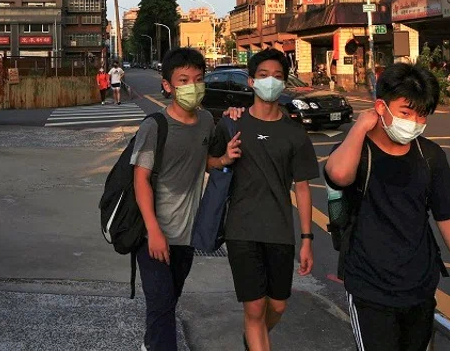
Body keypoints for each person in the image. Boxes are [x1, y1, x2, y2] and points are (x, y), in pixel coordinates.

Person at [324, 63, 450, 351]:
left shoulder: (430, 156)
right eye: (406, 112)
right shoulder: (357, 150)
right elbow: (338, 175)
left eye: (422, 115)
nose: (414, 122)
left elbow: (448, 218)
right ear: (381, 108)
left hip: (419, 286)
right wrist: (360, 126)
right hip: (369, 287)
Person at [131, 48, 242, 351]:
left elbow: (202, 161)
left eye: (197, 79)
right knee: (161, 304)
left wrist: (223, 158)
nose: (192, 86)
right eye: (183, 80)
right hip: (152, 234)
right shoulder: (155, 126)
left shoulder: (206, 120)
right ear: (167, 85)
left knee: (169, 299)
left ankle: (150, 343)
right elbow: (140, 178)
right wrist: (152, 230)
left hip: (186, 235)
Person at [213, 49, 318, 351]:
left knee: (278, 306)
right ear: (250, 82)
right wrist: (223, 158)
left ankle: (253, 338)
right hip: (242, 229)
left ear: (284, 83)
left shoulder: (295, 134)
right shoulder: (232, 124)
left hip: (279, 230)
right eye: (263, 76)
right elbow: (208, 162)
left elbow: (303, 187)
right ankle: (256, 334)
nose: (270, 81)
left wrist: (308, 238)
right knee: (255, 308)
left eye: (277, 76)